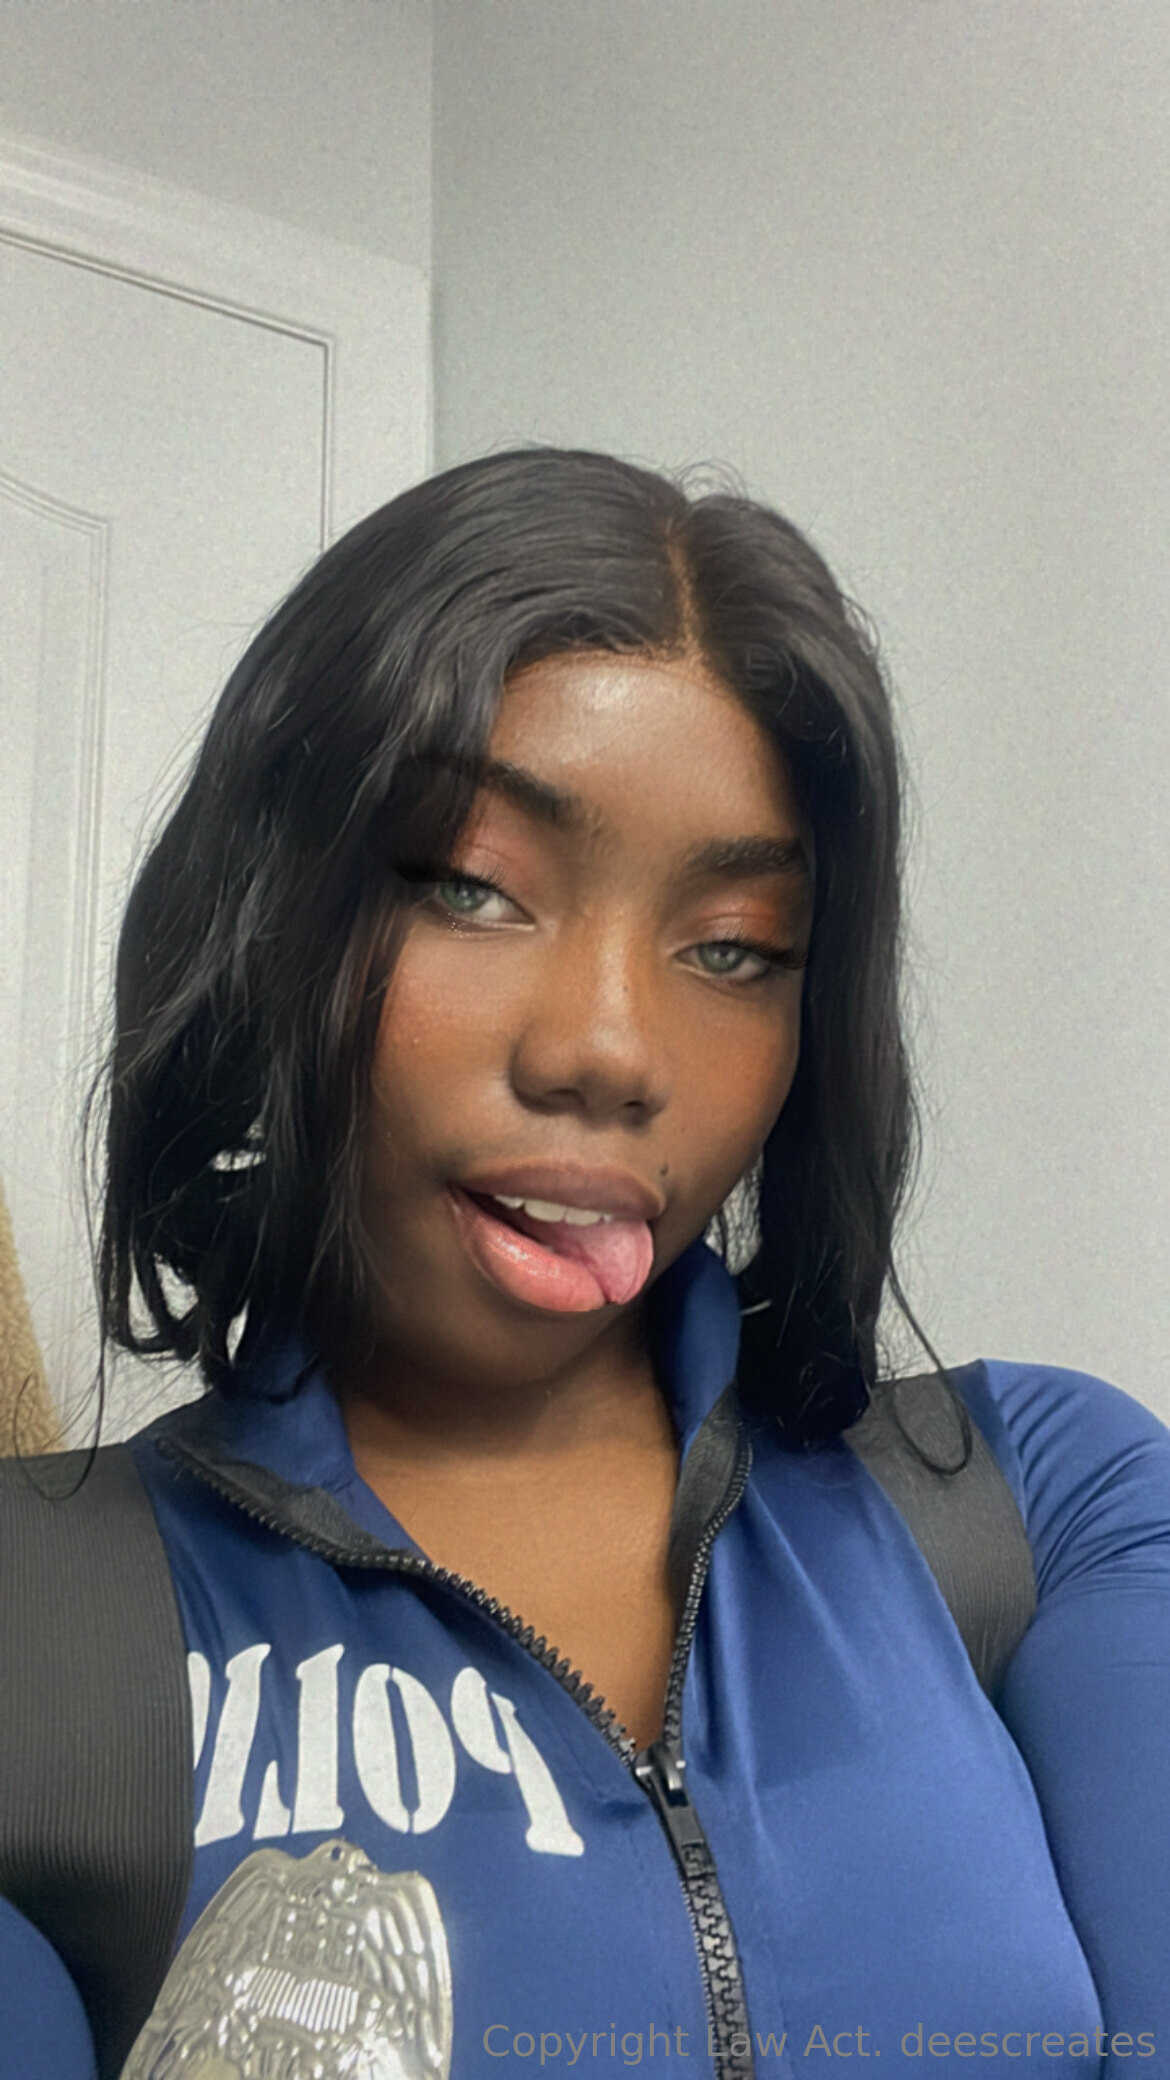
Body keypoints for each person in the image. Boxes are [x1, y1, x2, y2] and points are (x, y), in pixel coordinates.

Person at [2, 447, 1168, 2076]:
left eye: (733, 949)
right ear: (269, 912)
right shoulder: (36, 1622)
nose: (612, 1049)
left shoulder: (1037, 1500)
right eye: (472, 887)